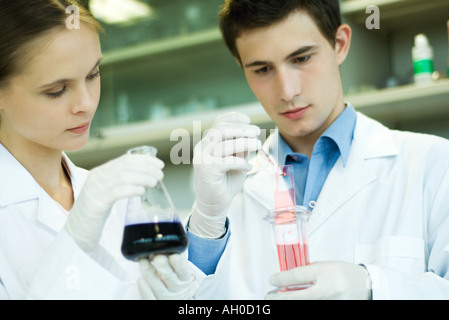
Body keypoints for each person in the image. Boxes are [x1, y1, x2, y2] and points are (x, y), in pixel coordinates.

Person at [187, 0, 449, 299]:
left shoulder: (434, 164)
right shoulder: (230, 190)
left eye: (301, 59)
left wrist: (374, 286)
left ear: (339, 43)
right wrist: (206, 223)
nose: (287, 91)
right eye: (262, 69)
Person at [0, 0, 198, 300]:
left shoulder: (112, 197)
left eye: (92, 75)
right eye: (57, 90)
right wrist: (75, 238)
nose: (86, 104)